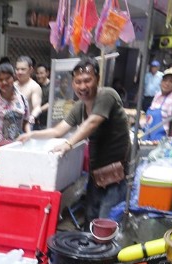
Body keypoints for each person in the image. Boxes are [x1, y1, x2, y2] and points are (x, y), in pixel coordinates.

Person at [17, 57, 130, 223]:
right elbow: (58, 130)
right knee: (91, 217)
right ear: (73, 84)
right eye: (78, 82)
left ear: (97, 79)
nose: (83, 86)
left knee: (106, 222)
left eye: (87, 80)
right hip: (96, 174)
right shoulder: (80, 107)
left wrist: (69, 144)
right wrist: (31, 135)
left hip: (116, 174)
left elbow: (92, 122)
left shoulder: (107, 95)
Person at [0, 63, 31, 153]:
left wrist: (29, 136)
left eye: (7, 78)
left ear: (14, 78)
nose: (4, 82)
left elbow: (26, 122)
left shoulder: (23, 100)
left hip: (19, 148)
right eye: (0, 80)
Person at [142, 68, 172, 140]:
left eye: (171, 81)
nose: (167, 83)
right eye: (165, 80)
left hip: (160, 140)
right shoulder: (157, 95)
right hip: (147, 136)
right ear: (161, 82)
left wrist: (168, 142)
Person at [14, 56, 42, 128]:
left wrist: (32, 116)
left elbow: (37, 107)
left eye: (23, 69)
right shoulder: (13, 85)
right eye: (17, 69)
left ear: (30, 70)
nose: (19, 72)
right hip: (11, 124)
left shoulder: (34, 86)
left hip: (26, 124)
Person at [33, 63, 51, 129]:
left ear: (47, 73)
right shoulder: (36, 86)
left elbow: (51, 103)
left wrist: (38, 110)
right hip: (36, 121)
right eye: (37, 73)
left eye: (41, 73)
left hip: (46, 122)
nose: (39, 76)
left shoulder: (52, 87)